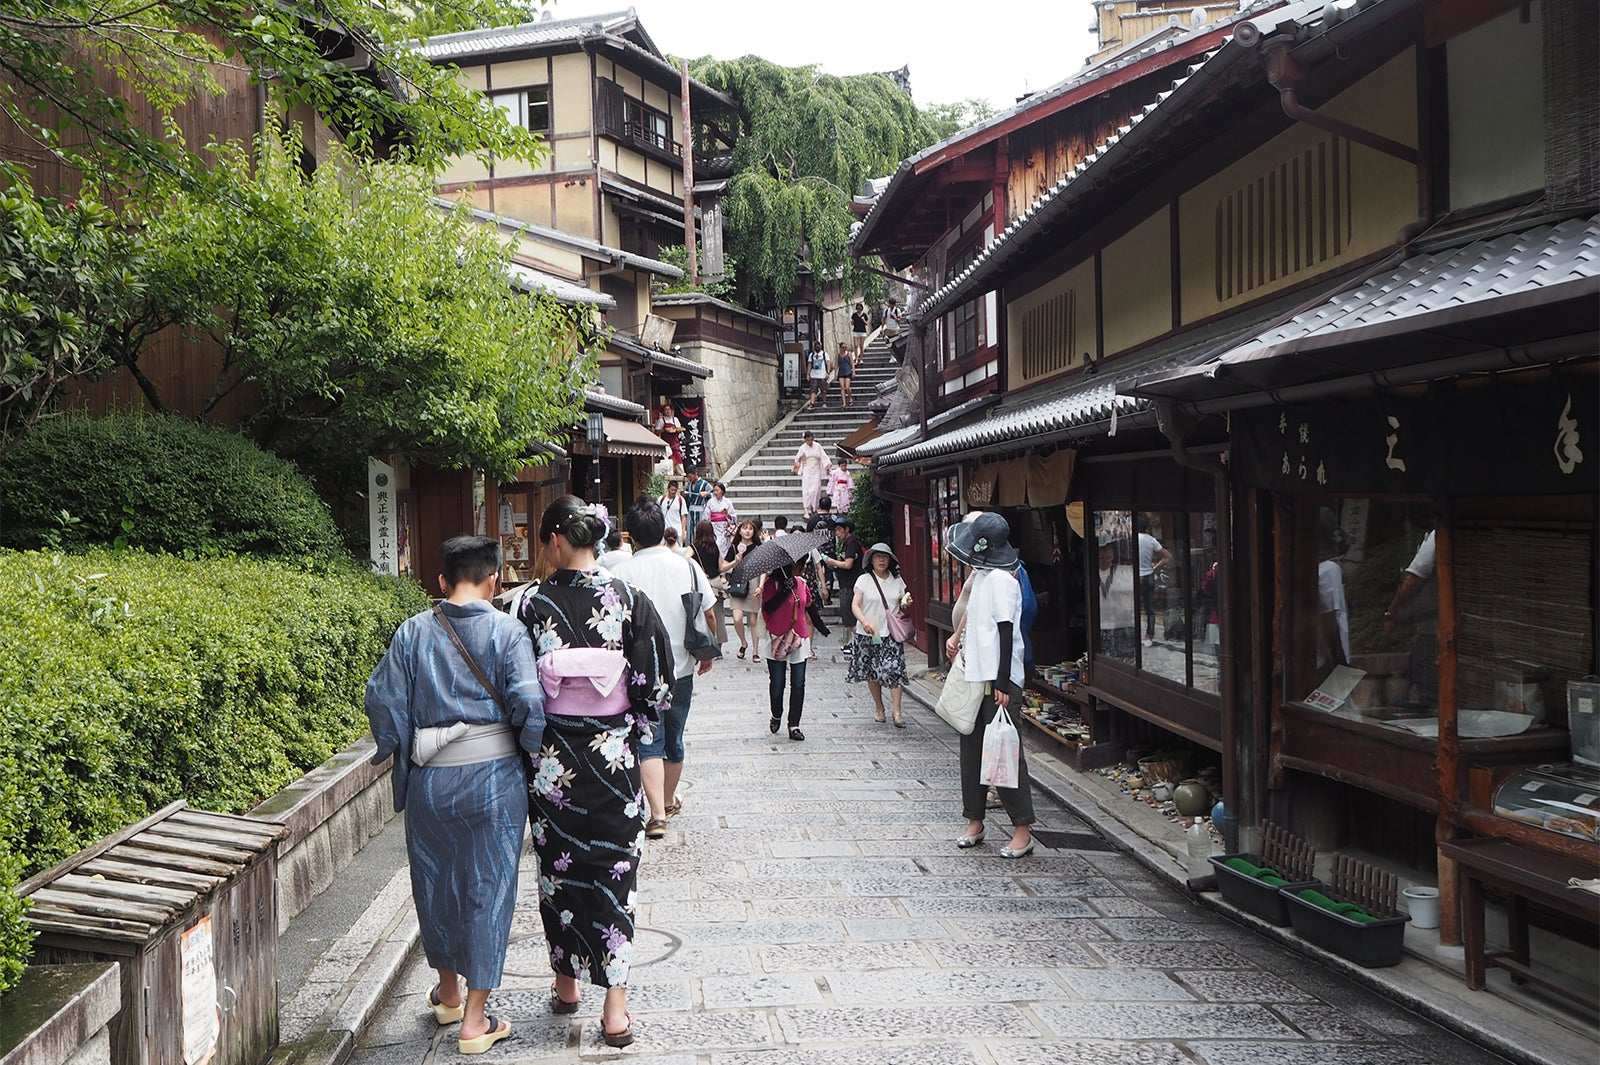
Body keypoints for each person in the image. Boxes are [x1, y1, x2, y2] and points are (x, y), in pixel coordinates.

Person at [364, 535, 545, 1055]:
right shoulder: (508, 631)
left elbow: (383, 700)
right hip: (494, 782)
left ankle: (447, 991)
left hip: (432, 782)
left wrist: (398, 748)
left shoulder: (412, 632)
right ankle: (474, 1019)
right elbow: (529, 703)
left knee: (436, 884)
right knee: (489, 888)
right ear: (493, 579)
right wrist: (526, 750)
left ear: (442, 581)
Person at [516, 496, 673, 1049]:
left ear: (555, 542)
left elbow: (520, 690)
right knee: (615, 876)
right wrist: (626, 718)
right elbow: (654, 686)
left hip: (553, 766)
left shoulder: (532, 604)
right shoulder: (628, 598)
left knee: (559, 874)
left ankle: (566, 985)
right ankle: (616, 1012)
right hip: (613, 762)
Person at [607, 497, 717, 842]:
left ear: (632, 535)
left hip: (636, 670)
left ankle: (654, 813)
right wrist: (707, 652)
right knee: (674, 736)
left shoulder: (619, 573)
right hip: (680, 666)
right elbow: (708, 612)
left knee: (647, 739)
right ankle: (667, 802)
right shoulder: (687, 566)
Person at [942, 512, 1035, 859]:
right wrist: (958, 638)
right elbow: (974, 617)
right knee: (972, 751)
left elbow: (1006, 632)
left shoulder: (1003, 580)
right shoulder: (983, 575)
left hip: (999, 678)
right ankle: (975, 819)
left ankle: (1022, 829)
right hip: (976, 672)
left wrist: (1003, 682)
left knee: (1004, 754)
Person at [848, 543, 911, 727]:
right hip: (872, 628)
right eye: (877, 556)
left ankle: (897, 712)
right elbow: (855, 604)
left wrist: (906, 603)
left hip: (891, 630)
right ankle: (879, 708)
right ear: (871, 560)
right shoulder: (864, 580)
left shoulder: (897, 580)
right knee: (872, 671)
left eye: (885, 557)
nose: (881, 560)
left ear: (890, 560)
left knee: (894, 670)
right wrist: (864, 621)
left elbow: (902, 603)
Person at [760, 560, 812, 740]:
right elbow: (767, 608)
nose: (802, 567)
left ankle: (794, 724)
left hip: (798, 637)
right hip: (778, 638)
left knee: (798, 683)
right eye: (799, 564)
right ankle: (776, 714)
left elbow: (808, 603)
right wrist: (784, 591)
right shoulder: (771, 584)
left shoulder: (801, 583)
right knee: (777, 683)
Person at [723, 518, 765, 661]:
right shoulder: (734, 548)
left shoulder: (758, 548)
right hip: (737, 583)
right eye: (744, 528)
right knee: (737, 618)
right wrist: (735, 561)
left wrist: (761, 585)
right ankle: (743, 642)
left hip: (753, 582)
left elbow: (763, 569)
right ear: (739, 531)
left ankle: (755, 651)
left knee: (753, 620)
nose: (747, 531)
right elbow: (723, 567)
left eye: (750, 529)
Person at [822, 516, 865, 648]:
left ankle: (860, 644)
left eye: (839, 530)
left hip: (851, 585)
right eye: (836, 530)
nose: (837, 533)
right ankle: (855, 643)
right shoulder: (847, 543)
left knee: (850, 617)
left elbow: (848, 564)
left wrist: (832, 561)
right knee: (849, 617)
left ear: (847, 529)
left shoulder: (851, 543)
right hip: (847, 584)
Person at [1097, 533, 1136, 660]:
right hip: (1100, 625)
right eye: (1101, 554)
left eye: (1108, 553)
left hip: (1124, 624)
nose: (1105, 557)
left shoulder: (1125, 571)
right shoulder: (1090, 573)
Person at [692, 519, 729, 649]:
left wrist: (699, 570)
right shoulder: (715, 547)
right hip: (716, 584)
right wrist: (735, 562)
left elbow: (685, 559)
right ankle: (718, 645)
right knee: (719, 615)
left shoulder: (693, 548)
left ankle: (704, 642)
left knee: (702, 615)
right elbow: (721, 567)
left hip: (702, 584)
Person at [1137, 517, 1172, 646]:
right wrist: (1155, 568)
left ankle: (1133, 634)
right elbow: (1167, 556)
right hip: (1149, 575)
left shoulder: (1132, 539)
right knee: (1149, 609)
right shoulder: (1152, 540)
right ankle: (1149, 636)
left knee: (1133, 607)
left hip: (1137, 576)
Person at [792, 430, 828, 517]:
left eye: (811, 439)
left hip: (816, 469)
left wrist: (828, 463)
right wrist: (800, 458)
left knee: (816, 489)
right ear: (805, 440)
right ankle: (806, 509)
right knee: (807, 489)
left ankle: (814, 507)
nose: (810, 442)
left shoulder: (817, 446)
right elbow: (797, 460)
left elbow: (823, 456)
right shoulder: (802, 447)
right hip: (807, 470)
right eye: (808, 440)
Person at [652, 399, 684, 475]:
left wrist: (676, 430)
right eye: (666, 410)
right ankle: (668, 472)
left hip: (675, 442)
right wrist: (664, 430)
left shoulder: (675, 419)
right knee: (667, 457)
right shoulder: (661, 420)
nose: (668, 411)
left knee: (677, 457)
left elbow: (679, 428)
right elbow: (656, 431)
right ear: (663, 412)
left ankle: (681, 472)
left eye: (669, 409)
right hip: (666, 443)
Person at [706, 481, 736, 556]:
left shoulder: (727, 502)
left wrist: (727, 514)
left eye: (717, 490)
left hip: (724, 527)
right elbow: (706, 515)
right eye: (714, 491)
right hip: (713, 527)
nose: (715, 492)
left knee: (724, 547)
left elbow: (733, 518)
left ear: (722, 491)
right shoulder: (710, 502)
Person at [806, 343, 830, 407]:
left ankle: (824, 402)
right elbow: (809, 364)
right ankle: (812, 403)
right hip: (813, 375)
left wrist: (828, 372)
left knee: (823, 390)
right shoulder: (812, 355)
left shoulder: (824, 354)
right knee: (813, 390)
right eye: (816, 346)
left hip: (822, 375)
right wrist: (808, 374)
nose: (817, 348)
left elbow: (828, 363)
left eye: (818, 346)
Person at [836, 340, 855, 408]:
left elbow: (852, 363)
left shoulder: (849, 354)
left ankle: (850, 397)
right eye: (843, 347)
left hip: (847, 371)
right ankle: (844, 402)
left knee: (847, 387)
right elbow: (836, 365)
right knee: (842, 388)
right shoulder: (838, 355)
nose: (844, 349)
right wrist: (835, 373)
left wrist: (853, 371)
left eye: (845, 347)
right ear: (840, 348)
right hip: (841, 372)